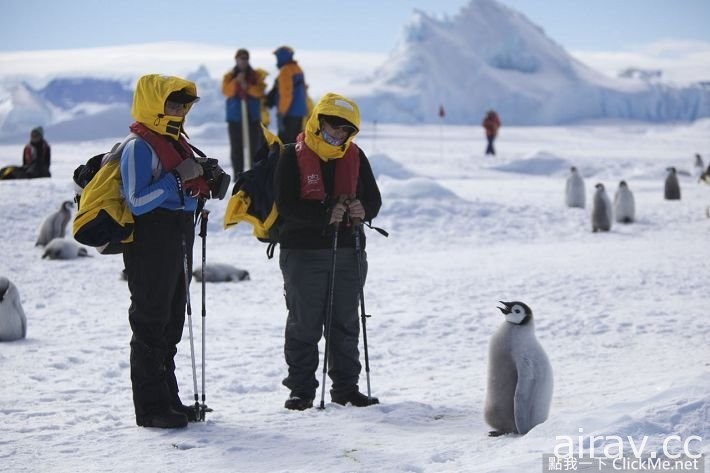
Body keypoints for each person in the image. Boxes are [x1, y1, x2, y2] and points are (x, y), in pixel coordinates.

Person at [274, 92, 382, 410]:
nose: (338, 135)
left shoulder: (356, 157)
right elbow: (285, 205)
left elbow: (373, 200)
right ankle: (301, 389)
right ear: (318, 121)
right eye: (333, 127)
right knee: (304, 323)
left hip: (349, 249)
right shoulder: (289, 155)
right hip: (303, 253)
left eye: (345, 130)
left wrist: (364, 209)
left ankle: (347, 388)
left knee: (345, 322)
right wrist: (324, 214)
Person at [120, 74, 213, 429]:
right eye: (173, 104)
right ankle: (149, 408)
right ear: (154, 104)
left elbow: (183, 191)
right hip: (150, 240)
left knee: (172, 321)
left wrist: (204, 184)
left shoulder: (177, 143)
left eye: (184, 105)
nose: (179, 111)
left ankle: (169, 400)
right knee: (150, 322)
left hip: (179, 234)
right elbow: (138, 201)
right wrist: (177, 179)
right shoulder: (138, 147)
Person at [222, 48, 266, 174]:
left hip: (252, 117)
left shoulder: (256, 75)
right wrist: (237, 82)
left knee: (255, 148)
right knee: (237, 148)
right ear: (236, 59)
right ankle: (238, 175)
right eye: (241, 58)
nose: (243, 61)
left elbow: (259, 91)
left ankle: (254, 174)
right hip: (235, 117)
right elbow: (226, 91)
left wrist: (247, 86)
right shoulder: (229, 76)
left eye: (246, 58)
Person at [269, 45, 307, 144]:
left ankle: (284, 160)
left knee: (285, 144)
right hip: (300, 112)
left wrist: (281, 112)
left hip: (289, 113)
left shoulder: (285, 71)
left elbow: (286, 94)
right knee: (296, 142)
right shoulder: (298, 68)